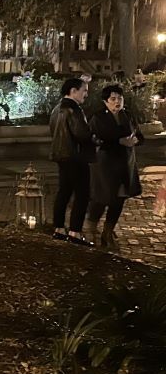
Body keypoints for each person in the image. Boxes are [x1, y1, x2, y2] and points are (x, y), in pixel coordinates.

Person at [85, 84, 143, 249]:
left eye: (120, 98)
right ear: (106, 101)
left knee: (119, 199)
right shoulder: (98, 118)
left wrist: (135, 140)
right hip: (105, 165)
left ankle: (108, 232)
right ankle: (90, 228)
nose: (117, 102)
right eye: (113, 99)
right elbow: (97, 139)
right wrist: (119, 141)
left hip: (125, 164)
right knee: (102, 198)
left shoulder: (128, 116)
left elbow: (139, 135)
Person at [49, 77, 96, 246]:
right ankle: (75, 231)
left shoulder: (56, 109)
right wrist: (95, 138)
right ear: (73, 91)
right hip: (76, 157)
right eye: (84, 90)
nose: (86, 94)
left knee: (64, 193)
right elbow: (82, 134)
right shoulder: (73, 109)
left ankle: (59, 228)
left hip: (61, 155)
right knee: (82, 195)